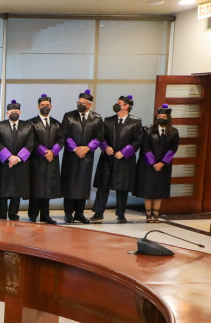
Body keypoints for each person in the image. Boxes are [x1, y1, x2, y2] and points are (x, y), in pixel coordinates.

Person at [91, 95, 142, 223]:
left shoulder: (135, 122)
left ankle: (121, 214)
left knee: (122, 188)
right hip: (108, 159)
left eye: (119, 103)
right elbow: (101, 137)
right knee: (103, 186)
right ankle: (98, 212)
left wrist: (124, 152)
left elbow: (137, 140)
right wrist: (105, 147)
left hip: (124, 160)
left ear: (126, 106)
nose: (117, 105)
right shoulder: (108, 120)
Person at [60, 89, 104, 224]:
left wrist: (87, 148)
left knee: (83, 185)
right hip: (71, 155)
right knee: (70, 183)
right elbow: (65, 135)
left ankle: (80, 213)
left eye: (83, 103)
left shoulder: (96, 118)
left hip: (87, 156)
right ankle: (68, 213)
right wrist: (75, 148)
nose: (80, 105)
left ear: (89, 105)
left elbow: (99, 136)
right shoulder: (69, 116)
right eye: (78, 102)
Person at [135, 104, 180, 223]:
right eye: (159, 116)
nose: (161, 118)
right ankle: (148, 214)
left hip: (164, 166)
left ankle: (156, 214)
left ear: (168, 118)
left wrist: (162, 163)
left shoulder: (174, 132)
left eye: (164, 116)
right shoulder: (147, 130)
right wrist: (153, 162)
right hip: (148, 165)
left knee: (159, 190)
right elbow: (145, 147)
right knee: (148, 190)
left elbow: (173, 149)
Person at [0, 100, 34, 221]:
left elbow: (30, 144)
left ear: (20, 112)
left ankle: (13, 214)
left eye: (16, 111)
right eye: (11, 111)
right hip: (3, 163)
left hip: (20, 163)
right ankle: (1, 215)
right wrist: (9, 157)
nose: (14, 113)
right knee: (2, 190)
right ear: (7, 113)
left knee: (17, 190)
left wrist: (18, 158)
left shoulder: (28, 126)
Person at [28, 94, 63, 224]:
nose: (45, 107)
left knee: (48, 188)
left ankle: (45, 215)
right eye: (42, 105)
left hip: (51, 160)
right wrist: (43, 152)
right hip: (37, 160)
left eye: (47, 105)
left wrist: (53, 152)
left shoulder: (56, 123)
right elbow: (31, 140)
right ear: (38, 107)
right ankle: (33, 215)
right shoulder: (31, 123)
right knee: (36, 188)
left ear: (51, 106)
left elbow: (61, 139)